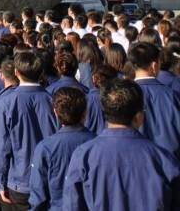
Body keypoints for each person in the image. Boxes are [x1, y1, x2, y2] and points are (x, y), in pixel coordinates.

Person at [62, 79, 180, 210]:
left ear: (105, 114)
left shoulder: (84, 155)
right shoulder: (164, 160)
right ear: (139, 117)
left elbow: (72, 205)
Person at [0, 50, 57, 210]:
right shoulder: (52, 100)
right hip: (48, 178)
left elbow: (1, 147)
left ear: (16, 72)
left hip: (19, 180)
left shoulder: (6, 103)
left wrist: (0, 181)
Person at [27, 87, 94, 211]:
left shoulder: (45, 147)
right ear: (85, 113)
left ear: (55, 112)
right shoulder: (96, 144)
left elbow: (38, 196)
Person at [128, 41, 180, 159]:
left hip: (136, 160)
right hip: (169, 161)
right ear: (154, 65)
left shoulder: (125, 94)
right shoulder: (171, 95)